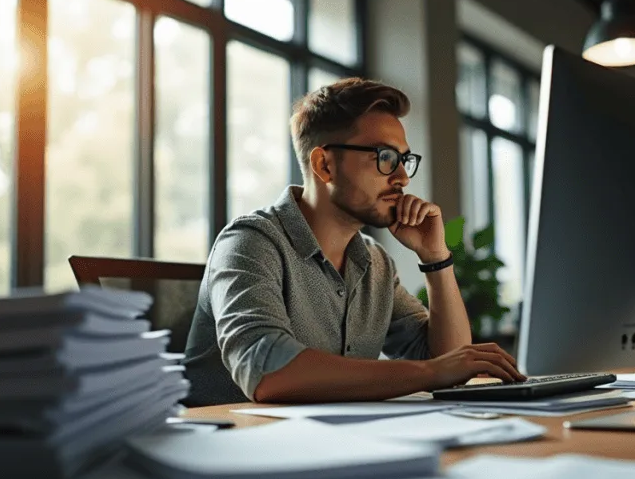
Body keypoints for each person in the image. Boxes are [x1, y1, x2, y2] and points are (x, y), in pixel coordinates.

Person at [182, 77, 525, 405]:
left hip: (333, 447)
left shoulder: (374, 262)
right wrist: (433, 371)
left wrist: (435, 257)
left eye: (404, 160)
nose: (403, 177)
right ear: (325, 165)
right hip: (232, 448)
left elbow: (448, 362)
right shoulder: (249, 243)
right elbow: (268, 371)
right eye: (385, 158)